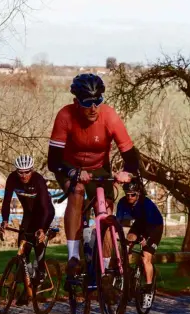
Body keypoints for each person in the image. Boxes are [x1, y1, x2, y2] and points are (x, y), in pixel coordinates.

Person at [47, 73, 139, 278]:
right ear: (76, 102)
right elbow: (53, 161)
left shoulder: (109, 116)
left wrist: (127, 172)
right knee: (77, 191)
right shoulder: (65, 116)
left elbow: (132, 157)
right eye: (87, 102)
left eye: (98, 101)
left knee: (104, 209)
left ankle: (106, 269)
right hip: (69, 166)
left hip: (98, 167)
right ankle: (73, 257)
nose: (93, 107)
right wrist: (73, 172)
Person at [0, 155, 55, 305]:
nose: (23, 175)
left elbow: (44, 208)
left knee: (37, 242)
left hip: (45, 213)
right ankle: (27, 286)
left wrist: (42, 229)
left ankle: (41, 271)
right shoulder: (12, 179)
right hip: (29, 214)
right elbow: (6, 201)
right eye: (20, 172)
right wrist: (4, 220)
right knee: (22, 249)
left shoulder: (38, 181)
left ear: (32, 170)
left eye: (27, 172)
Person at [116, 181, 164, 296]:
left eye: (132, 195)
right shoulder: (122, 202)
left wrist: (143, 240)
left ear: (138, 194)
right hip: (139, 223)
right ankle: (127, 273)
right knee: (127, 243)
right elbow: (119, 221)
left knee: (145, 257)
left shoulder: (145, 203)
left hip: (154, 226)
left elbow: (149, 224)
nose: (129, 197)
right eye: (127, 194)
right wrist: (117, 234)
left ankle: (148, 286)